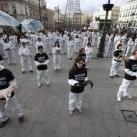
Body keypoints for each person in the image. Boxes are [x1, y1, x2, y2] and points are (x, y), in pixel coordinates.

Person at [0, 64, 24, 128]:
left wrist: (7, 91)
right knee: (1, 109)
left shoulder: (6, 71)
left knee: (15, 105)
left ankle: (20, 115)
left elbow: (13, 82)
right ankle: (4, 118)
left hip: (9, 94)